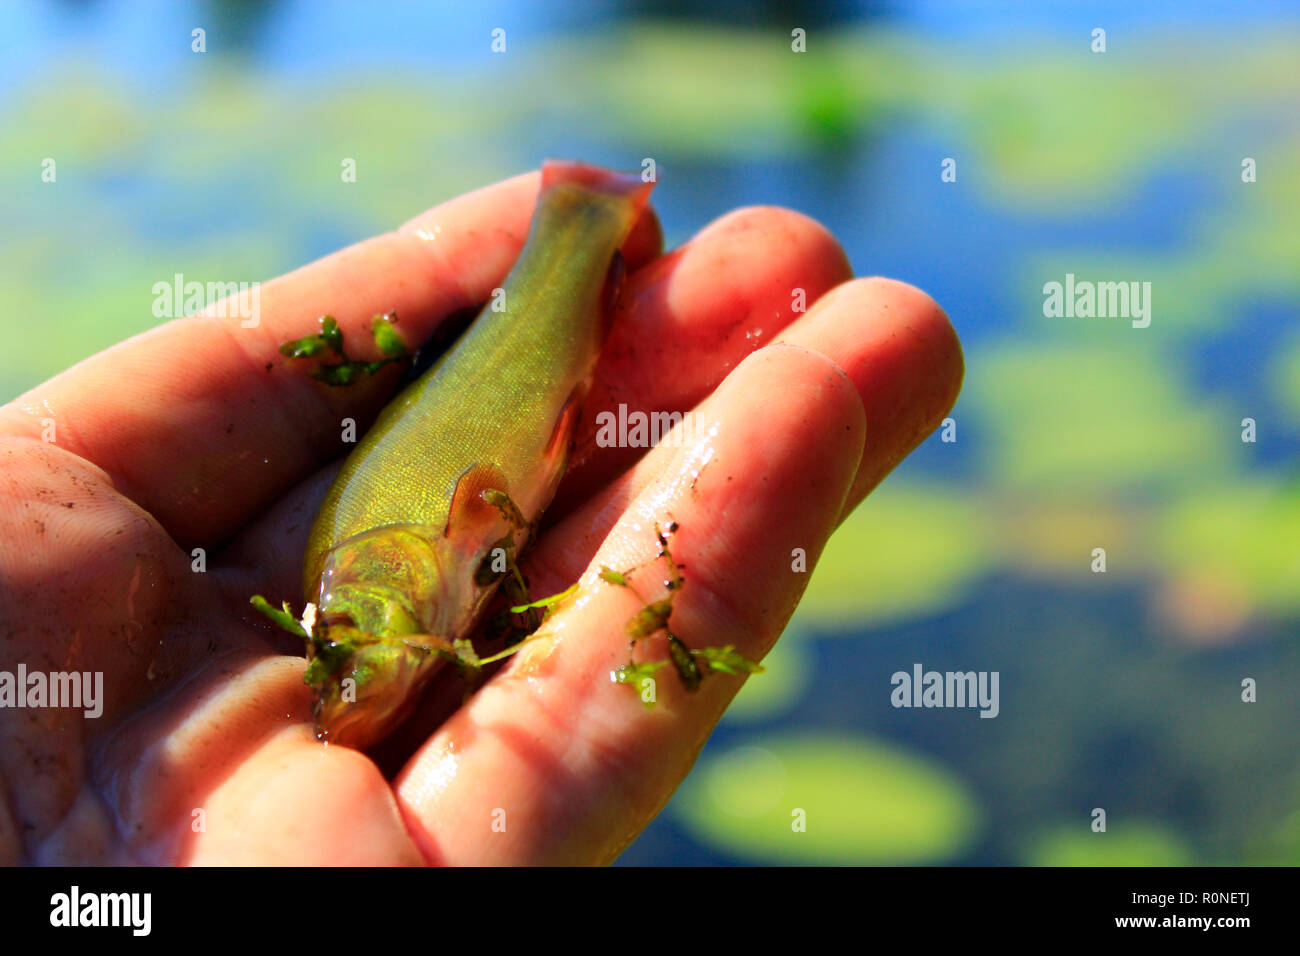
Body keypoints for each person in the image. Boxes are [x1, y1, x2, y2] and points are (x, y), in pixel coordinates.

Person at [0, 169, 962, 864]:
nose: (344, 667)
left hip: (504, 392)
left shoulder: (417, 551)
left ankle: (577, 227)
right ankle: (578, 227)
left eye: (341, 636)